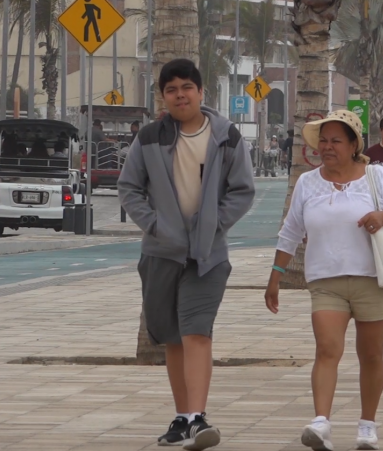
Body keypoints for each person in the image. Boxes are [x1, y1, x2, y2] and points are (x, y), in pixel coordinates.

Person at [118, 58, 255, 451]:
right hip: (161, 252)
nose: (180, 95)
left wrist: (212, 225)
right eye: (172, 89)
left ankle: (197, 418)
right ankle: (183, 416)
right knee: (173, 338)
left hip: (208, 255)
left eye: (187, 87)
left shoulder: (226, 135)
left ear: (200, 92)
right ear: (163, 96)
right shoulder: (148, 138)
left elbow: (241, 191)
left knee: (197, 332)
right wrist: (157, 225)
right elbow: (130, 188)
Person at [264, 110, 383, 451]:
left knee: (371, 355)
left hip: (372, 279)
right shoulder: (308, 182)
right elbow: (290, 231)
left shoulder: (376, 177)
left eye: (336, 141)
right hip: (325, 282)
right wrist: (275, 276)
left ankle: (367, 426)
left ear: (353, 145)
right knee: (327, 349)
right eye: (323, 140)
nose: (327, 147)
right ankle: (321, 423)